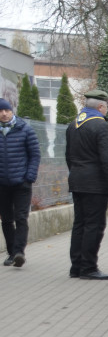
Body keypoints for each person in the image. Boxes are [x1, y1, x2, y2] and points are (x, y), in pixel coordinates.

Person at [66, 88, 108, 279]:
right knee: (94, 225)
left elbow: (68, 156)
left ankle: (76, 267)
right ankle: (88, 268)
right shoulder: (100, 126)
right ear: (101, 106)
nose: (106, 111)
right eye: (106, 108)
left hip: (77, 179)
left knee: (79, 223)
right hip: (95, 184)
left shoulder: (73, 125)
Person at [0, 98, 40, 268]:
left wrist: (29, 177)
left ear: (12, 111)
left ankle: (19, 252)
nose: (3, 114)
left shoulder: (25, 130)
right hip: (2, 184)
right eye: (0, 111)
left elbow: (35, 155)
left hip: (21, 183)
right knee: (7, 220)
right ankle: (11, 253)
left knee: (21, 217)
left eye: (6, 110)